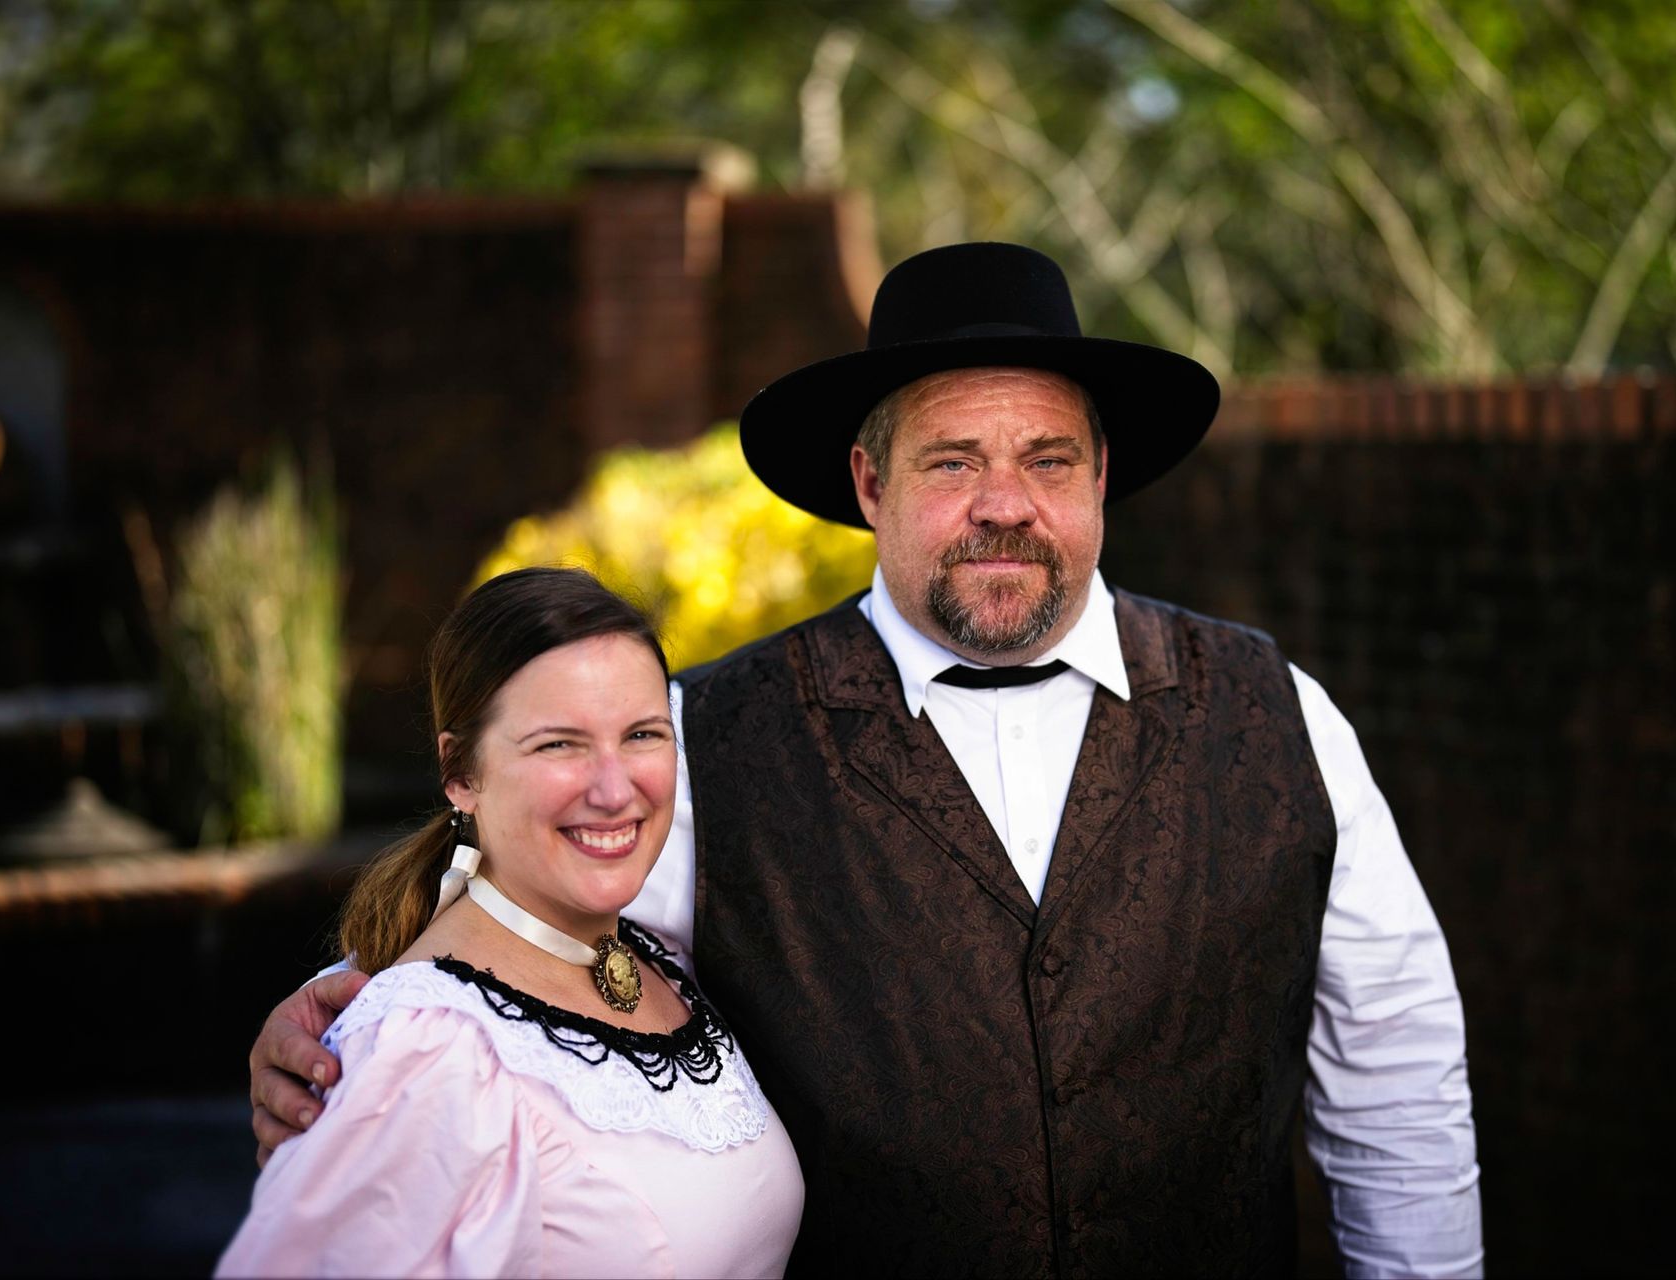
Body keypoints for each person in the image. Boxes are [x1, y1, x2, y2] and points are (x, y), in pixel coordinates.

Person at [252, 243, 1481, 1278]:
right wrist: (366, 1011)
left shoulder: (1278, 715)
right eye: (953, 459)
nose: (1006, 502)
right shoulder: (708, 738)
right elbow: (542, 941)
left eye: (1049, 457)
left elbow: (1397, 1081)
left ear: (1102, 475)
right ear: (868, 481)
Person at [221, 567, 803, 1278]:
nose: (614, 789)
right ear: (460, 773)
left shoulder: (655, 952)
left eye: (642, 734)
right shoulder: (428, 1051)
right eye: (559, 744)